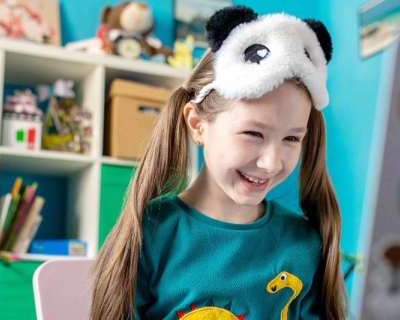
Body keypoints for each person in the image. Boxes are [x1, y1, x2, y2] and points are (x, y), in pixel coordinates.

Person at [90, 5, 347, 320]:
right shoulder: (151, 234)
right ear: (198, 126)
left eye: (292, 139)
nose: (270, 162)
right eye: (253, 133)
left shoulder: (302, 243)